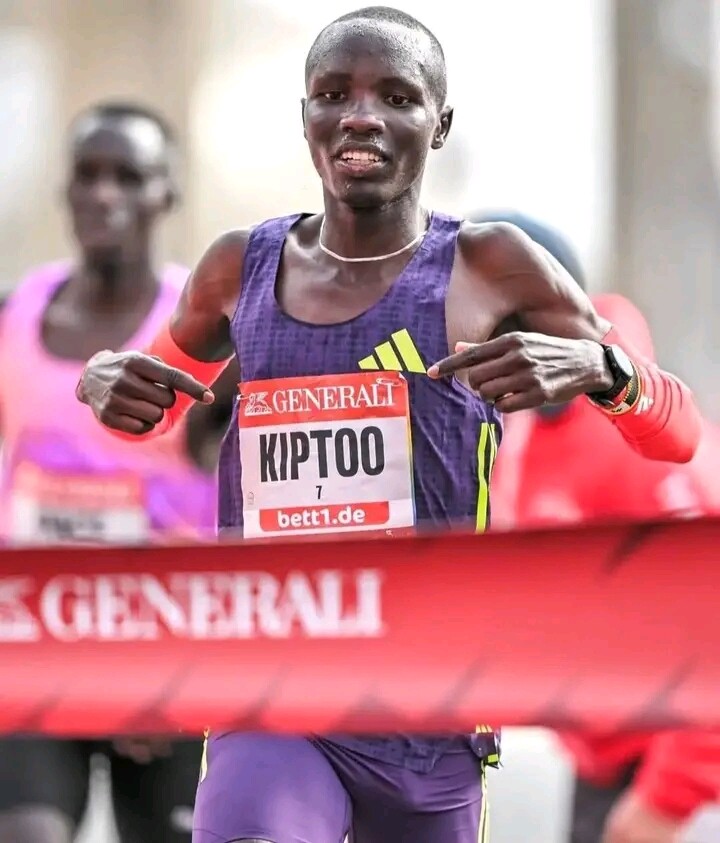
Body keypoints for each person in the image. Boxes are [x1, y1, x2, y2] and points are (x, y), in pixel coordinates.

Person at [76, 8, 703, 843]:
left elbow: (678, 437)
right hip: (275, 689)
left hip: (431, 703)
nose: (361, 116)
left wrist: (605, 370)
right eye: (334, 94)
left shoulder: (490, 266)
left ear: (440, 124)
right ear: (305, 115)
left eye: (397, 97)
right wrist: (101, 378)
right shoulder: (239, 268)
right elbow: (148, 413)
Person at [0, 101, 229, 843]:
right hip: (34, 643)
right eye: (88, 175)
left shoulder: (206, 328)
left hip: (165, 656)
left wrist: (182, 667)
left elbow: (245, 499)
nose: (105, 195)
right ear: (65, 190)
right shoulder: (12, 314)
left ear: (168, 192)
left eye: (129, 177)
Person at [474, 211, 720, 843]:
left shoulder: (631, 442)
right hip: (607, 753)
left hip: (675, 772)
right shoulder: (527, 419)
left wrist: (665, 800)